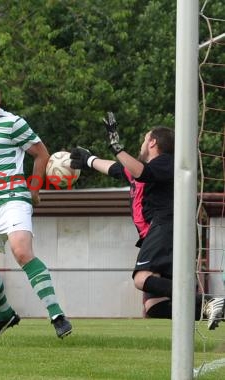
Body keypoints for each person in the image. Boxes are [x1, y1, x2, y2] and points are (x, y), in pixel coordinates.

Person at [70, 112, 225, 329]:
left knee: (141, 278)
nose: (142, 144)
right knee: (155, 305)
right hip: (160, 233)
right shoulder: (143, 170)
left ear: (152, 142)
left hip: (166, 228)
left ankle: (208, 301)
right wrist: (89, 160)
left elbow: (142, 172)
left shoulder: (166, 163)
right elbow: (116, 169)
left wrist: (117, 147)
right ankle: (215, 307)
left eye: (144, 140)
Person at [0, 80, 72, 338]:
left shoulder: (13, 123)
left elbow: (42, 154)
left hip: (12, 198)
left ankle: (57, 315)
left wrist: (33, 190)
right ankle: (5, 313)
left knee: (22, 251)